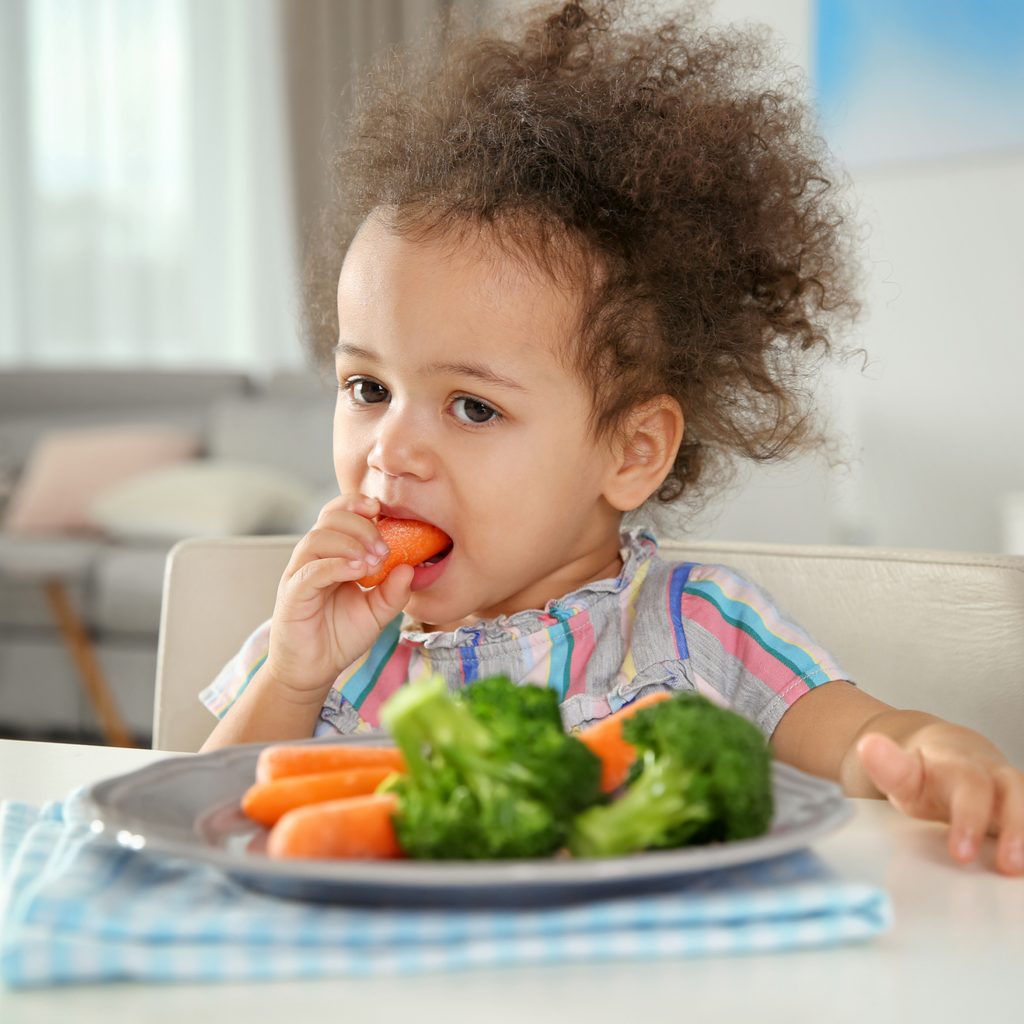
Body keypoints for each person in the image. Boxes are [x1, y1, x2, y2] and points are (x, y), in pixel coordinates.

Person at [199, 0, 1023, 876]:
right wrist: (290, 678)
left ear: (633, 452)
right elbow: (197, 817)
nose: (389, 451)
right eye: (368, 389)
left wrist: (931, 751)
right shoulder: (327, 646)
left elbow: (864, 740)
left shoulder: (697, 627)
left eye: (473, 407)